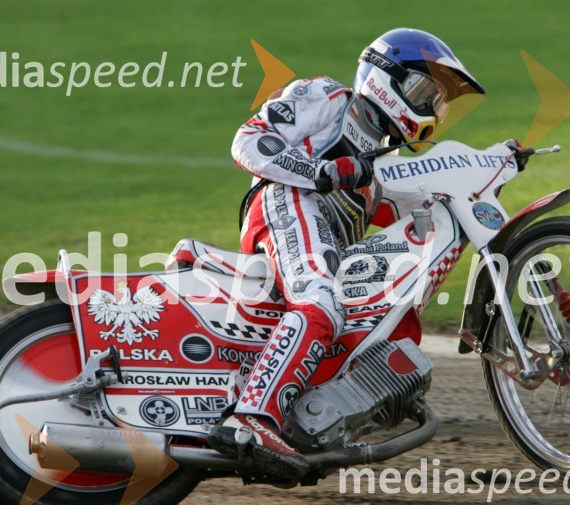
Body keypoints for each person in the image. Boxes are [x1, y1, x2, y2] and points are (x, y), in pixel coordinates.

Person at [208, 28, 485, 479]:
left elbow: (424, 203)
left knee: (356, 319)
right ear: (385, 75)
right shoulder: (328, 96)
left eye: (437, 102)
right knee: (321, 302)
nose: (430, 108)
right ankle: (252, 419)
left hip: (321, 235)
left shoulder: (382, 162)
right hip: (286, 202)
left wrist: (489, 167)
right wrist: (323, 172)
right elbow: (249, 140)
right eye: (423, 91)